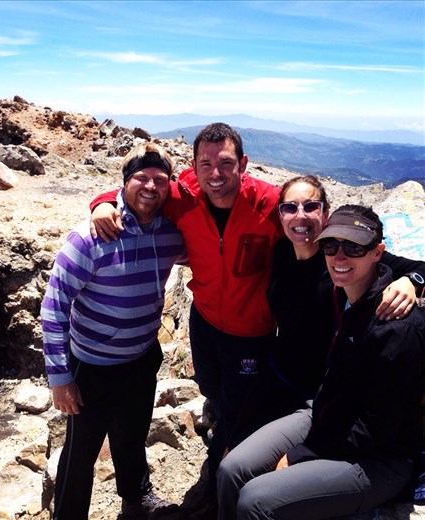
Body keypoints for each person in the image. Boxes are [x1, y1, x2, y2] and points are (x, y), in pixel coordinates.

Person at [90, 123, 284, 507]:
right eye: (205, 165)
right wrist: (102, 202)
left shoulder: (270, 203)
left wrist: (405, 276)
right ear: (193, 168)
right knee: (212, 390)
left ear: (243, 164)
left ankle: (216, 490)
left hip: (252, 333)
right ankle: (223, 430)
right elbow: (141, 192)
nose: (215, 174)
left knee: (238, 409)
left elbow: (318, 226)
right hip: (205, 322)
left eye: (225, 163)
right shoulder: (186, 197)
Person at [216, 204, 425, 520]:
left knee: (255, 500)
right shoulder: (346, 294)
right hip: (327, 414)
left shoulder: (395, 326)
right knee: (231, 469)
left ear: (378, 253)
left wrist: (303, 453)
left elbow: (377, 429)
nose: (339, 257)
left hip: (380, 459)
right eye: (330, 245)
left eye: (354, 247)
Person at [40, 143, 185, 520]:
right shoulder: (90, 237)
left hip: (142, 356)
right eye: (141, 178)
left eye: (160, 179)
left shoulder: (172, 234)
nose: (150, 186)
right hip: (93, 365)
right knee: (80, 453)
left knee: (132, 435)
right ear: (125, 182)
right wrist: (60, 379)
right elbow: (53, 307)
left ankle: (136, 500)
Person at [227, 175, 425, 449]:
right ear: (281, 215)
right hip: (279, 372)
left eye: (310, 206)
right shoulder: (281, 251)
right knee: (231, 450)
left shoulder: (340, 259)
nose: (300, 215)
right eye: (290, 208)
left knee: (273, 460)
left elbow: (417, 268)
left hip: (321, 389)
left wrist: (410, 281)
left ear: (325, 213)